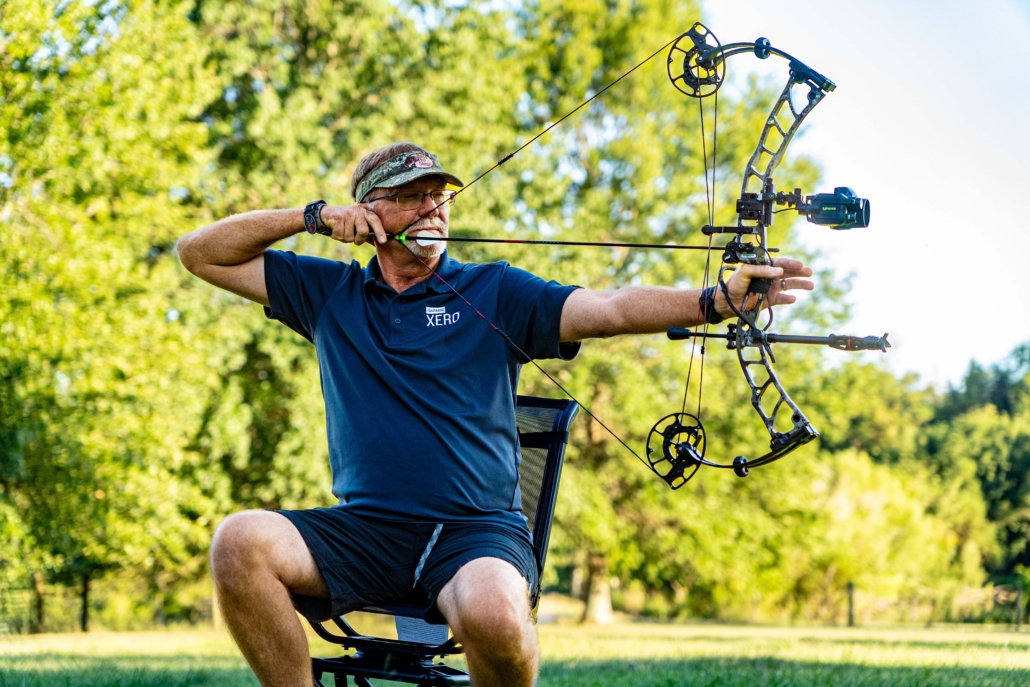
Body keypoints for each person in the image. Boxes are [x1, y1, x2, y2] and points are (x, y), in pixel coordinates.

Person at [176, 142, 813, 687]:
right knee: (240, 542)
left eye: (440, 195)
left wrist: (715, 300)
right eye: (412, 196)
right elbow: (199, 253)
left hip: (474, 535)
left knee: (493, 615)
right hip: (366, 532)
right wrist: (310, 218)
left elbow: (613, 307)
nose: (433, 209)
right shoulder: (327, 293)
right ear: (369, 212)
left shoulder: (494, 290)